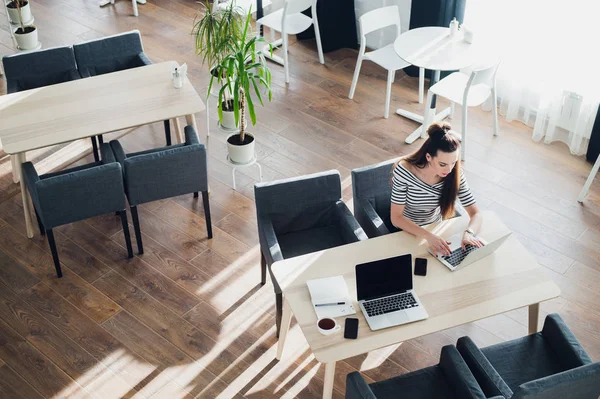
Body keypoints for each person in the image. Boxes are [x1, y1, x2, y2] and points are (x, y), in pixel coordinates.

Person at [390, 122, 483, 256]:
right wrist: (428, 235)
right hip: (408, 230)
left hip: (436, 229)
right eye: (443, 164)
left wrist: (469, 233)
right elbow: (396, 218)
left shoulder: (455, 174)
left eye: (453, 162)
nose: (449, 169)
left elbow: (476, 214)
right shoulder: (405, 171)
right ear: (428, 157)